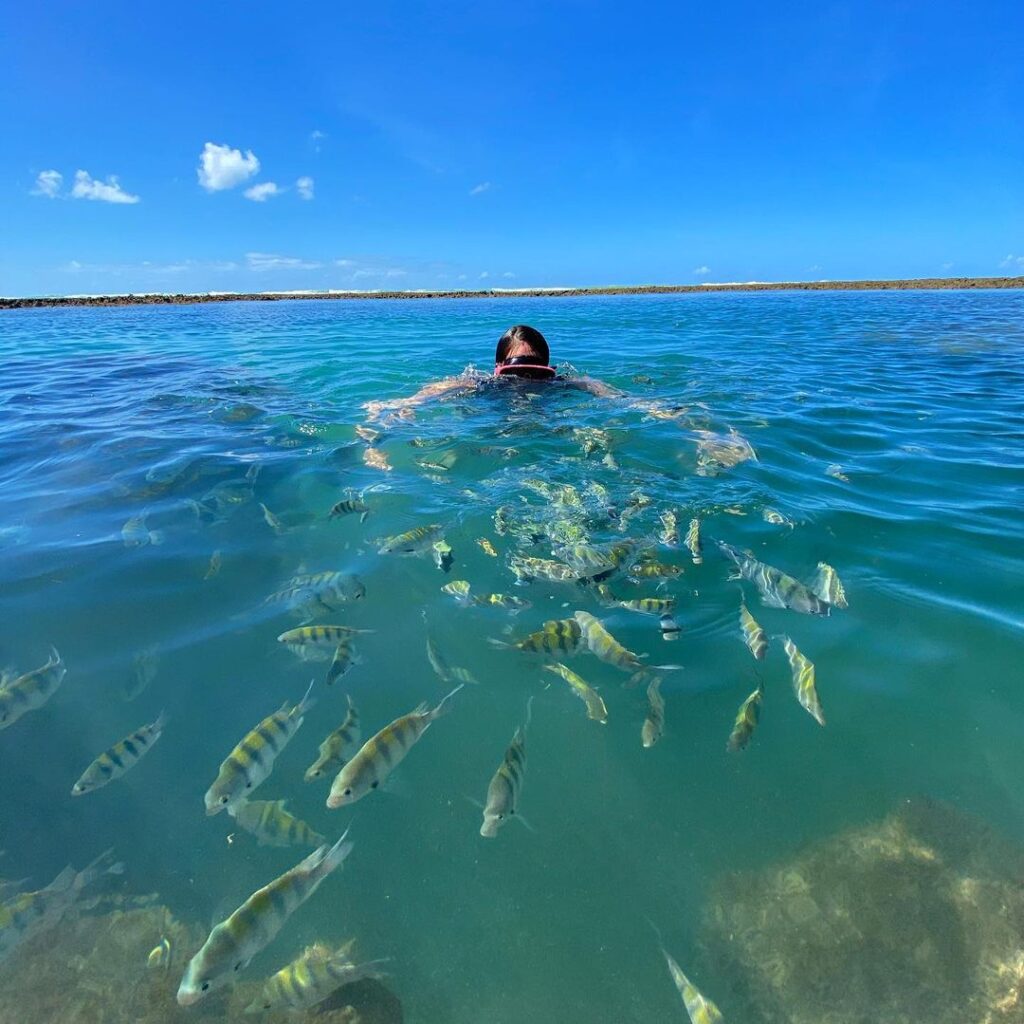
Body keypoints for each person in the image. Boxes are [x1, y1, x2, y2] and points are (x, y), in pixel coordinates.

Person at [362, 324, 633, 423]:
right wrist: (401, 404)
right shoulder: (483, 383)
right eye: (516, 372)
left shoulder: (559, 383)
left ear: (548, 370)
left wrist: (647, 406)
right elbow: (443, 387)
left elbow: (591, 385)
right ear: (498, 369)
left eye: (533, 373)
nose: (524, 382)